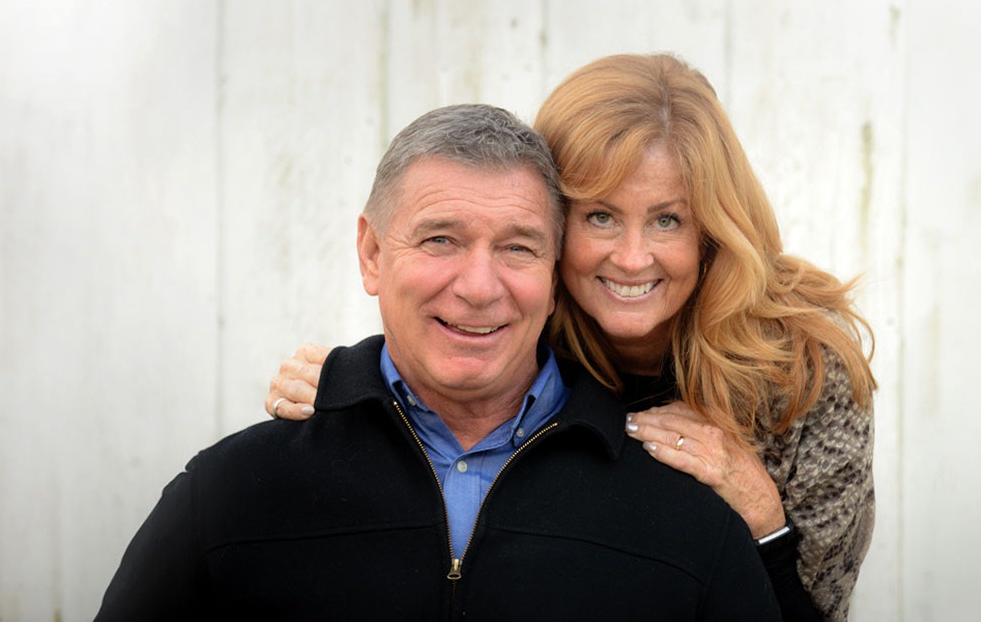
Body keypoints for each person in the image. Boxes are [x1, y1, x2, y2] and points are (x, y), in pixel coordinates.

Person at [97, 103, 780, 621]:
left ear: (555, 273)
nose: (479, 287)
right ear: (371, 254)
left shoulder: (687, 513)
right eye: (440, 239)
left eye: (517, 247)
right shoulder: (229, 493)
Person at [262, 54, 878, 620]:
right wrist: (358, 391)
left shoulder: (804, 373)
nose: (632, 259)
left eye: (667, 220)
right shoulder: (520, 322)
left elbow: (821, 611)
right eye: (601, 216)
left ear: (712, 230)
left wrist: (764, 518)